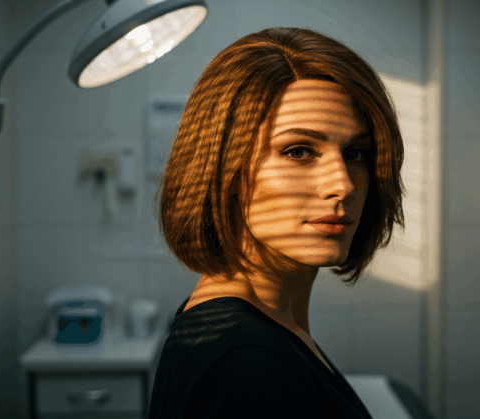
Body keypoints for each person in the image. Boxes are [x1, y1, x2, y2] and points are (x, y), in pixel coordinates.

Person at [149, 27, 404, 418]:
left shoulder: (254, 322)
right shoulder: (249, 365)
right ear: (225, 171)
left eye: (356, 152)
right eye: (299, 151)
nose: (343, 183)